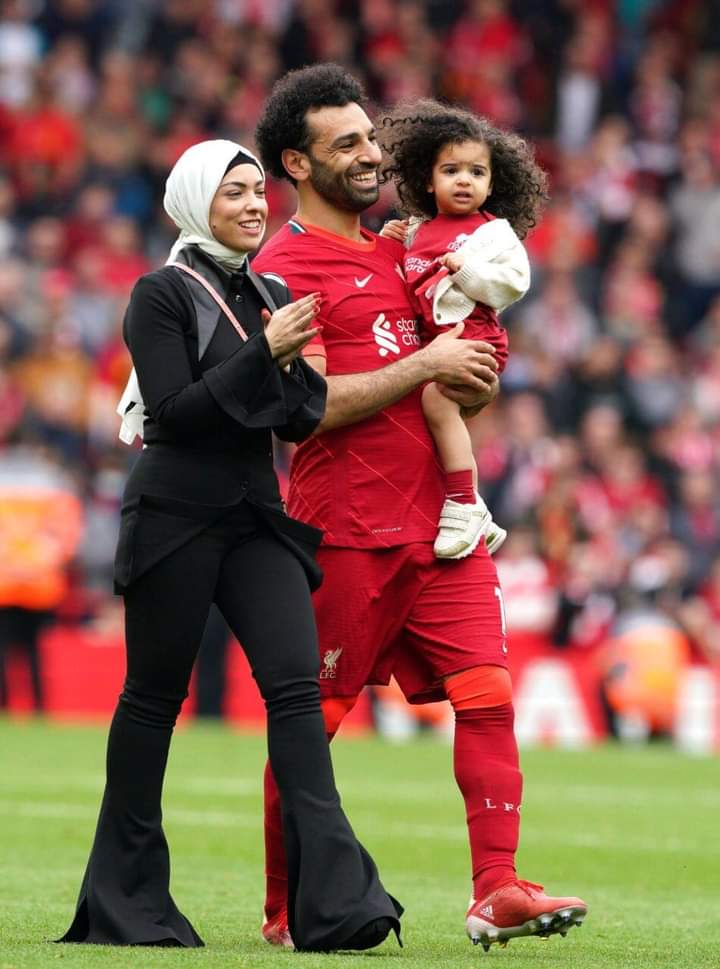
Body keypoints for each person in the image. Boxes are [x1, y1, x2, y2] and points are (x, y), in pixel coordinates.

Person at [253, 64, 588, 953]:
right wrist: (428, 368)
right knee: (311, 722)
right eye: (349, 143)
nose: (374, 154)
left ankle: (497, 888)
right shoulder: (285, 266)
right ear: (297, 162)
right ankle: (284, 908)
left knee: (489, 698)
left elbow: (451, 377)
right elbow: (311, 407)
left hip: (445, 523)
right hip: (347, 525)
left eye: (371, 138)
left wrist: (475, 373)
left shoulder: (408, 249)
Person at [57, 139, 402, 952]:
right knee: (153, 699)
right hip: (174, 512)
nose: (254, 205)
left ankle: (338, 905)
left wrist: (309, 367)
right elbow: (173, 415)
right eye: (235, 193)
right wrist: (267, 353)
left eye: (258, 192)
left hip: (255, 515)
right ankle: (124, 900)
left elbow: (297, 416)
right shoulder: (161, 293)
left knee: (294, 691)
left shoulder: (272, 291)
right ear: (193, 202)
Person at [379, 100, 546, 560]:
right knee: (420, 411)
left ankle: (464, 503)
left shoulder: (491, 233)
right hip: (437, 346)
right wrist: (394, 246)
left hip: (476, 341)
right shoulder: (419, 232)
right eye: (451, 170)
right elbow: (411, 285)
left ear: (492, 183)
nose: (464, 180)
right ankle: (482, 517)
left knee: (435, 401)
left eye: (476, 172)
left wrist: (468, 271)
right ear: (427, 181)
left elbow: (515, 282)